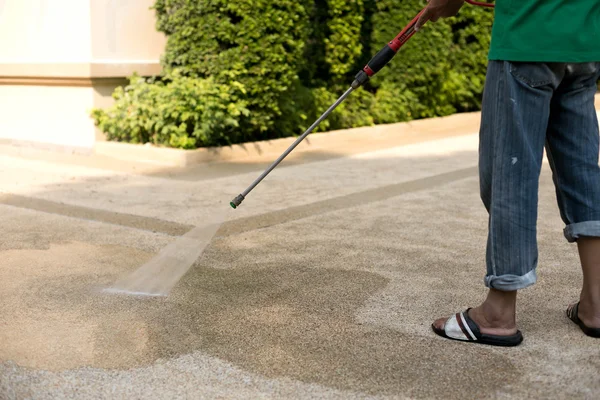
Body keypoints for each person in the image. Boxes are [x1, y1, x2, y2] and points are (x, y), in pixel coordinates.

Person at [415, 0, 600, 345]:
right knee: (583, 170)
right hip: (585, 40)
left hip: (526, 35)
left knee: (509, 173)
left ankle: (497, 313)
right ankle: (597, 302)